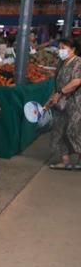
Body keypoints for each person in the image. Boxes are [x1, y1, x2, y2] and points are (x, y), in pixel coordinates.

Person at [44, 37, 81, 170]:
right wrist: (50, 101)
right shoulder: (61, 62)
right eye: (59, 48)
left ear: (73, 50)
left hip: (76, 103)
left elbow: (77, 81)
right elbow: (57, 84)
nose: (60, 51)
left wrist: (60, 93)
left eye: (63, 48)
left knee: (74, 131)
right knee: (58, 131)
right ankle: (64, 161)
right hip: (61, 104)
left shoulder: (78, 62)